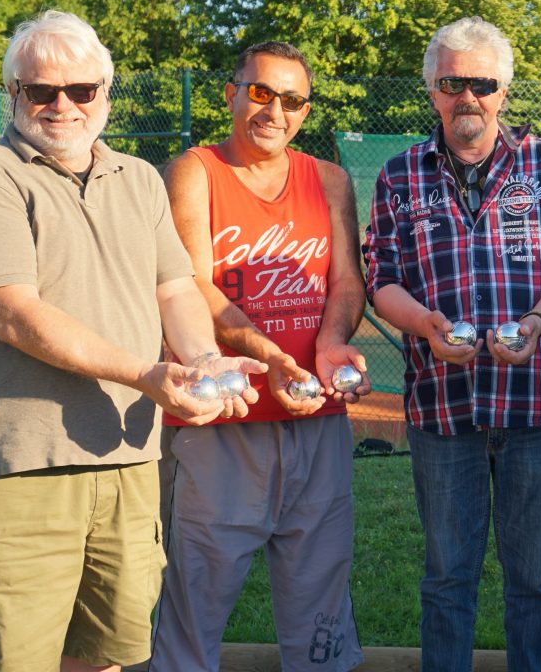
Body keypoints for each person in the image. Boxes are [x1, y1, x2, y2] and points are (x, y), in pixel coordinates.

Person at [0, 10, 265, 672]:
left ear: (105, 94)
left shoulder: (139, 179)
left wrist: (200, 360)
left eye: (81, 90)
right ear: (12, 95)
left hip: (128, 462)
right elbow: (17, 316)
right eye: (40, 91)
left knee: (106, 659)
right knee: (14, 661)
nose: (63, 106)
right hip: (19, 468)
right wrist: (145, 373)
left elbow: (174, 290)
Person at [364, 16, 541, 672]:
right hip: (442, 409)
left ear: (503, 91)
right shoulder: (400, 173)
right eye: (452, 81)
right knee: (446, 582)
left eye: (482, 82)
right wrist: (428, 328)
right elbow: (381, 278)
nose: (467, 95)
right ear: (433, 90)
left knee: (535, 583)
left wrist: (536, 325)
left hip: (532, 408)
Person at [150, 42, 369, 671]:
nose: (275, 110)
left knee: (321, 595)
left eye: (293, 100)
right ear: (232, 93)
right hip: (225, 416)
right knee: (196, 592)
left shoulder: (327, 179)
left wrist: (328, 344)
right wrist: (271, 355)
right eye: (261, 92)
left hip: (315, 419)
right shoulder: (195, 169)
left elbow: (347, 281)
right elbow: (193, 283)